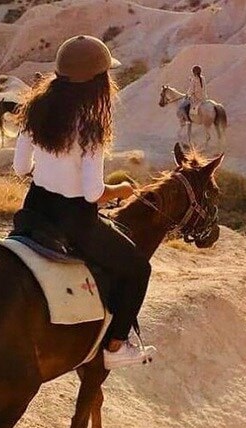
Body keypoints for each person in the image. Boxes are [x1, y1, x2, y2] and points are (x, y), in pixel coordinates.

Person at [12, 35, 156, 369]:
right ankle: (116, 348)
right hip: (74, 221)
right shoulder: (90, 127)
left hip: (34, 210)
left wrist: (49, 173)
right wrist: (120, 189)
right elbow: (93, 194)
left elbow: (20, 168)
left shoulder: (34, 109)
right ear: (97, 82)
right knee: (138, 269)